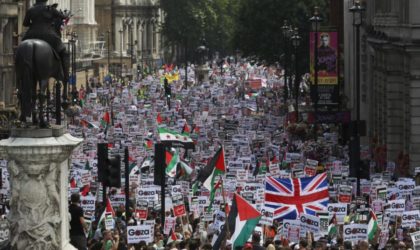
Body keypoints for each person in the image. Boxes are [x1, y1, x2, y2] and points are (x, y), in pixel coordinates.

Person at [22, 0, 70, 83]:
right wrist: (66, 15)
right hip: (49, 36)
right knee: (64, 53)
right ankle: (65, 77)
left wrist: (34, 25)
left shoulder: (31, 10)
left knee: (21, 48)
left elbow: (25, 23)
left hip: (31, 35)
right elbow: (63, 17)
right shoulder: (51, 9)